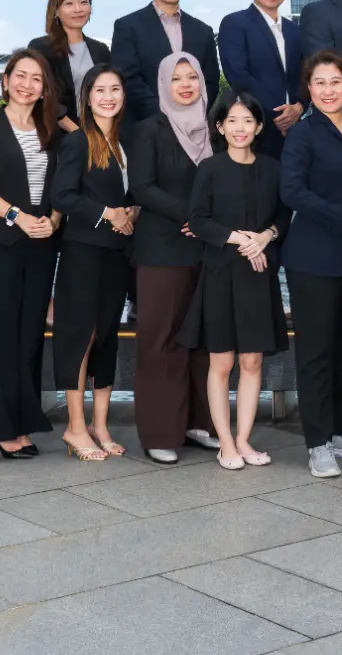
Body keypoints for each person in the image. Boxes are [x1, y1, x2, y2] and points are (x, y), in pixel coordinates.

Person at [279, 50, 342, 477]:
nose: (328, 90)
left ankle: (338, 431)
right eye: (319, 82)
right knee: (316, 353)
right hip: (314, 258)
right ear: (308, 88)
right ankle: (317, 442)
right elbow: (291, 191)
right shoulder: (303, 134)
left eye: (335, 81)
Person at [0, 48, 62, 459]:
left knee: (29, 338)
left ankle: (22, 422)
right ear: (6, 81)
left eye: (37, 79)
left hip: (40, 246)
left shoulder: (52, 132)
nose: (27, 85)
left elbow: (61, 187)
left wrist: (54, 220)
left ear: (45, 88)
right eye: (21, 76)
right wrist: (16, 216)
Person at [183, 90, 292, 469]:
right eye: (232, 120)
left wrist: (266, 237)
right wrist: (241, 239)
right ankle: (225, 443)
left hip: (258, 275)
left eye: (248, 120)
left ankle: (244, 440)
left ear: (259, 127)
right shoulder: (210, 168)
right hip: (220, 273)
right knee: (222, 363)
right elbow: (198, 220)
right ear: (220, 126)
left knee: (252, 361)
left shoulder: (273, 169)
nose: (240, 127)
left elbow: (283, 217)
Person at [127, 53, 218, 463]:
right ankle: (159, 432)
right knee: (160, 340)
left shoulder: (214, 129)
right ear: (163, 83)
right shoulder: (149, 129)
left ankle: (199, 423)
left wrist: (208, 223)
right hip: (163, 249)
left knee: (202, 340)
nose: (185, 85)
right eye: (177, 78)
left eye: (192, 77)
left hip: (206, 249)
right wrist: (193, 215)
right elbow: (142, 188)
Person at [49, 65, 139, 462]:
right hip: (83, 253)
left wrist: (132, 211)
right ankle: (74, 426)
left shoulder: (123, 142)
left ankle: (100, 425)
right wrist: (108, 213)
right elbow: (62, 196)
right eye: (99, 90)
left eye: (114, 89)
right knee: (80, 337)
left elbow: (131, 195)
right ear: (86, 98)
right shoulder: (78, 141)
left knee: (106, 336)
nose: (108, 96)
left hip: (117, 254)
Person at [111, 0, 219, 122]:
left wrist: (192, 116)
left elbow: (210, 82)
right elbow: (128, 79)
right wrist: (166, 117)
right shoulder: (127, 26)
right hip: (145, 127)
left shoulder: (203, 31)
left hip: (193, 128)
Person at [217, 0, 304, 155]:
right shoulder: (235, 24)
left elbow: (306, 73)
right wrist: (280, 115)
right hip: (256, 131)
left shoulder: (295, 30)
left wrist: (299, 107)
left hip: (295, 131)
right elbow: (238, 74)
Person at [30, 0, 110, 134]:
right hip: (59, 135)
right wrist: (77, 133)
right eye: (69, 3)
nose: (78, 9)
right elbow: (42, 96)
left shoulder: (101, 50)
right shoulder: (41, 48)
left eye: (83, 2)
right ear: (56, 11)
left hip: (99, 132)